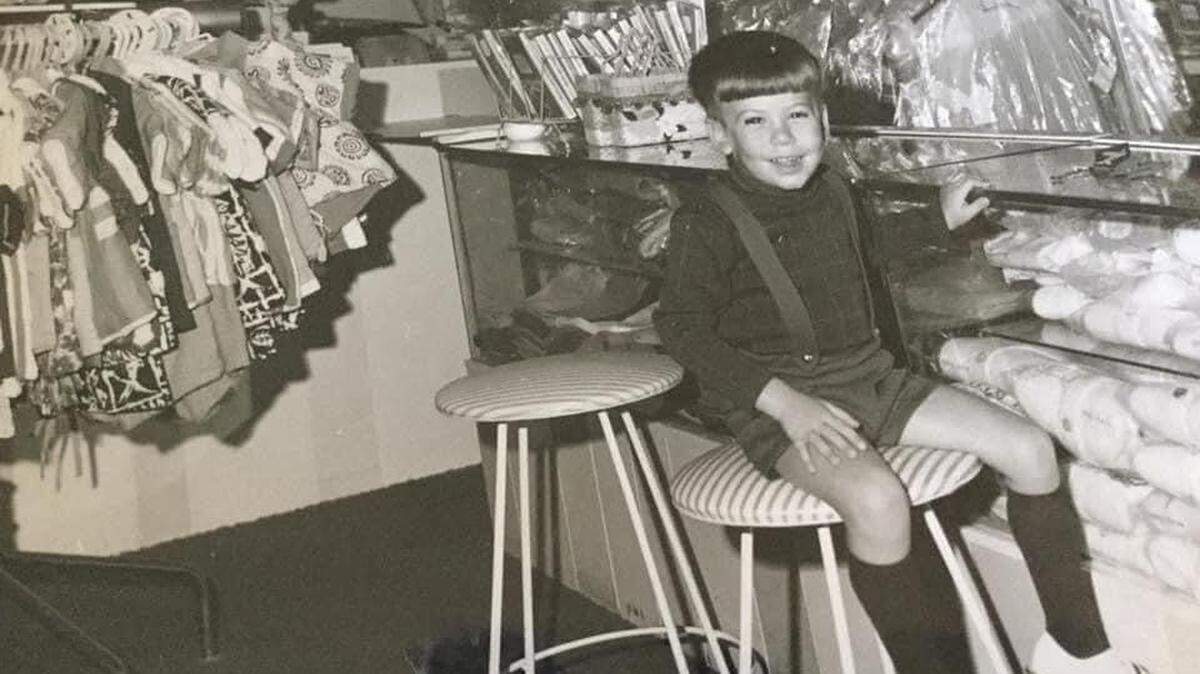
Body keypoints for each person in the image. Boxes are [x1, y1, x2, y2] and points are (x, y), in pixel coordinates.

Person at [654, 30, 1143, 674]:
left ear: (823, 120)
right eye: (755, 121)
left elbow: (866, 253)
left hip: (870, 377)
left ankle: (1077, 650)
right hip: (782, 401)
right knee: (878, 500)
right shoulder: (707, 220)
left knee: (1030, 449)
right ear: (720, 135)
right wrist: (786, 406)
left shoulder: (834, 189)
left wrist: (938, 219)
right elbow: (681, 327)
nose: (784, 138)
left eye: (797, 115)